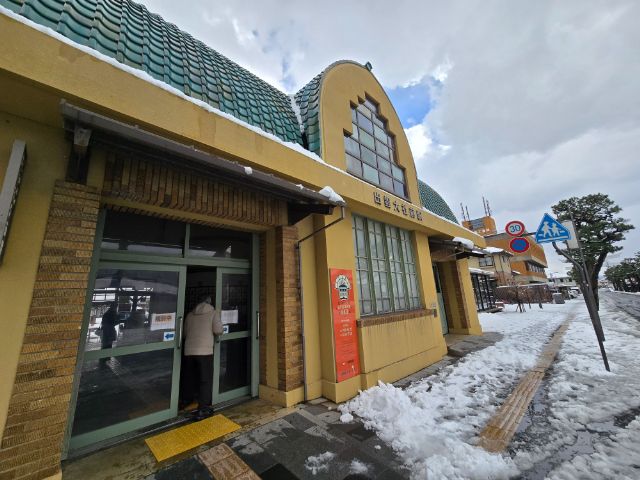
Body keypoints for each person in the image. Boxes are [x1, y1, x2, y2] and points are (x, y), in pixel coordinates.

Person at [182, 296, 223, 420]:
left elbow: (185, 333)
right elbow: (218, 330)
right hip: (204, 352)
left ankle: (187, 400)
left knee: (190, 377)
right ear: (210, 303)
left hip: (189, 351)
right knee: (205, 380)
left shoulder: (190, 315)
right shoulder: (213, 313)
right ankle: (203, 408)